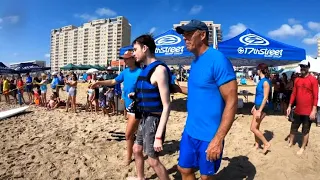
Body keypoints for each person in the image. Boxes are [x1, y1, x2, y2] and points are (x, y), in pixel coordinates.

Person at [174, 20, 238, 179]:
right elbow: (200, 91)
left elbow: (232, 101)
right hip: (190, 130)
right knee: (184, 169)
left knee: (206, 177)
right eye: (184, 35)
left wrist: (218, 139)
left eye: (188, 34)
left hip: (210, 134)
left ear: (202, 35)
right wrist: (178, 89)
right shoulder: (195, 61)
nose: (184, 38)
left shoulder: (218, 59)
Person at [91, 50, 142, 166]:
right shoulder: (125, 72)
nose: (124, 60)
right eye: (124, 58)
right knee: (136, 132)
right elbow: (114, 81)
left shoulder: (141, 72)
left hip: (137, 106)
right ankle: (137, 152)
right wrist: (100, 82)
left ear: (133, 58)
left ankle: (128, 157)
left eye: (127, 58)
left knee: (128, 134)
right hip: (129, 106)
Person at [131, 34, 172, 179]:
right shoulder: (145, 69)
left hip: (154, 120)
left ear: (145, 48)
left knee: (153, 160)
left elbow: (167, 106)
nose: (133, 53)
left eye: (135, 49)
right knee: (136, 149)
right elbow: (147, 91)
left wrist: (159, 136)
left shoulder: (159, 70)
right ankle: (140, 178)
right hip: (144, 117)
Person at [286, 60, 318, 155]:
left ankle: (303, 147)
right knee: (293, 128)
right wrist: (289, 105)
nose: (302, 68)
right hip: (298, 110)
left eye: (304, 66)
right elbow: (293, 94)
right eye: (301, 66)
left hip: (308, 111)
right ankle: (291, 142)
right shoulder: (297, 79)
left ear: (308, 67)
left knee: (305, 130)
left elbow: (316, 96)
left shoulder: (313, 80)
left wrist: (314, 110)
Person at [250, 63, 272, 154]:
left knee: (253, 128)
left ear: (260, 70)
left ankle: (266, 144)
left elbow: (265, 97)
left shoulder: (266, 81)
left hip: (262, 108)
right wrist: (254, 106)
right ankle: (257, 144)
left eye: (258, 69)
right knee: (256, 127)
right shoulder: (261, 80)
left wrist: (259, 110)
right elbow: (259, 95)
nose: (257, 71)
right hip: (257, 106)